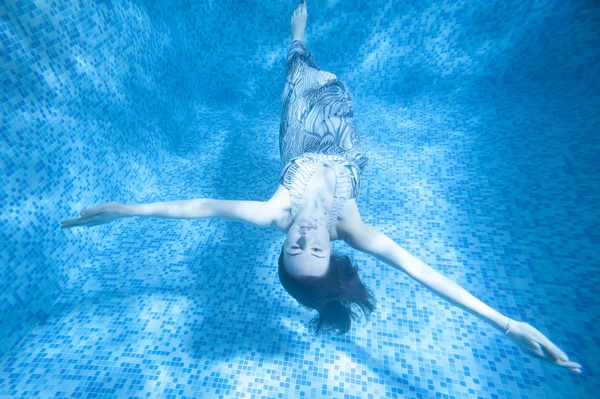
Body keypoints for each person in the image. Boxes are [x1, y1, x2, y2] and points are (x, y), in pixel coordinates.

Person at [61, 0, 582, 374]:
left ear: (285, 243)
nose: (307, 232)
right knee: (319, 74)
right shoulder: (351, 227)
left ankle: (297, 32)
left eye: (295, 245)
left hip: (300, 121)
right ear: (332, 251)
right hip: (339, 114)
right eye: (315, 247)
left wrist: (126, 209)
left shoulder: (276, 212)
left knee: (296, 64)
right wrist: (504, 323)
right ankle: (302, 41)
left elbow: (198, 209)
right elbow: (424, 273)